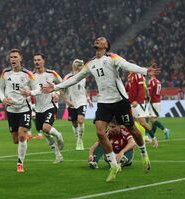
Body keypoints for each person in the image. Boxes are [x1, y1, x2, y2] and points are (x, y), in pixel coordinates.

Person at [43, 37, 159, 182]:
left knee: (132, 129)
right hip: (104, 102)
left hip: (120, 101)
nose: (98, 40)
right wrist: (55, 87)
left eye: (101, 40)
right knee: (100, 132)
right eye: (97, 39)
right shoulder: (90, 63)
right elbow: (76, 78)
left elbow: (127, 65)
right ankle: (114, 165)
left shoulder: (112, 58)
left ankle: (144, 153)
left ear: (106, 46)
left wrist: (145, 71)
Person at [0, 49, 40, 172]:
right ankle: (24, 139)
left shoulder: (27, 74)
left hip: (24, 108)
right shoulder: (5, 73)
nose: (13, 59)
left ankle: (20, 163)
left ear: (20, 58)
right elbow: (0, 88)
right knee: (16, 140)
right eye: (11, 57)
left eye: (15, 57)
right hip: (11, 109)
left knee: (22, 136)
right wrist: (3, 99)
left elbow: (38, 89)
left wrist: (30, 92)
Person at [20, 52, 64, 164]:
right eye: (35, 60)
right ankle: (58, 155)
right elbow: (27, 91)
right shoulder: (31, 76)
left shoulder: (51, 73)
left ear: (43, 61)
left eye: (38, 60)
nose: (36, 62)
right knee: (45, 133)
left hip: (50, 105)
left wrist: (57, 94)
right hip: (38, 108)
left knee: (45, 128)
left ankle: (59, 135)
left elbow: (63, 84)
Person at [125, 61, 157, 148]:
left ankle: (154, 138)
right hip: (130, 102)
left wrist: (137, 101)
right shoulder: (129, 76)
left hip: (138, 103)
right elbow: (128, 88)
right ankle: (135, 141)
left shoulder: (138, 74)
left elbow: (140, 89)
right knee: (129, 122)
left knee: (142, 122)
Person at [63, 59, 93, 150]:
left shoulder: (83, 76)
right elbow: (62, 88)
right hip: (71, 103)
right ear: (74, 66)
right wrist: (67, 101)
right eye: (79, 65)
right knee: (74, 123)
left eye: (82, 65)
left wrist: (88, 98)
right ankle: (77, 138)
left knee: (80, 120)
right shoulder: (68, 77)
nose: (81, 67)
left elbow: (83, 88)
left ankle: (80, 140)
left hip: (81, 101)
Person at [147, 67, 171, 146]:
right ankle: (152, 137)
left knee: (152, 120)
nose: (148, 72)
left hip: (153, 103)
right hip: (158, 102)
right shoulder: (158, 81)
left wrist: (145, 99)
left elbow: (149, 94)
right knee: (153, 121)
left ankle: (165, 130)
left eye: (150, 71)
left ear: (153, 73)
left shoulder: (151, 81)